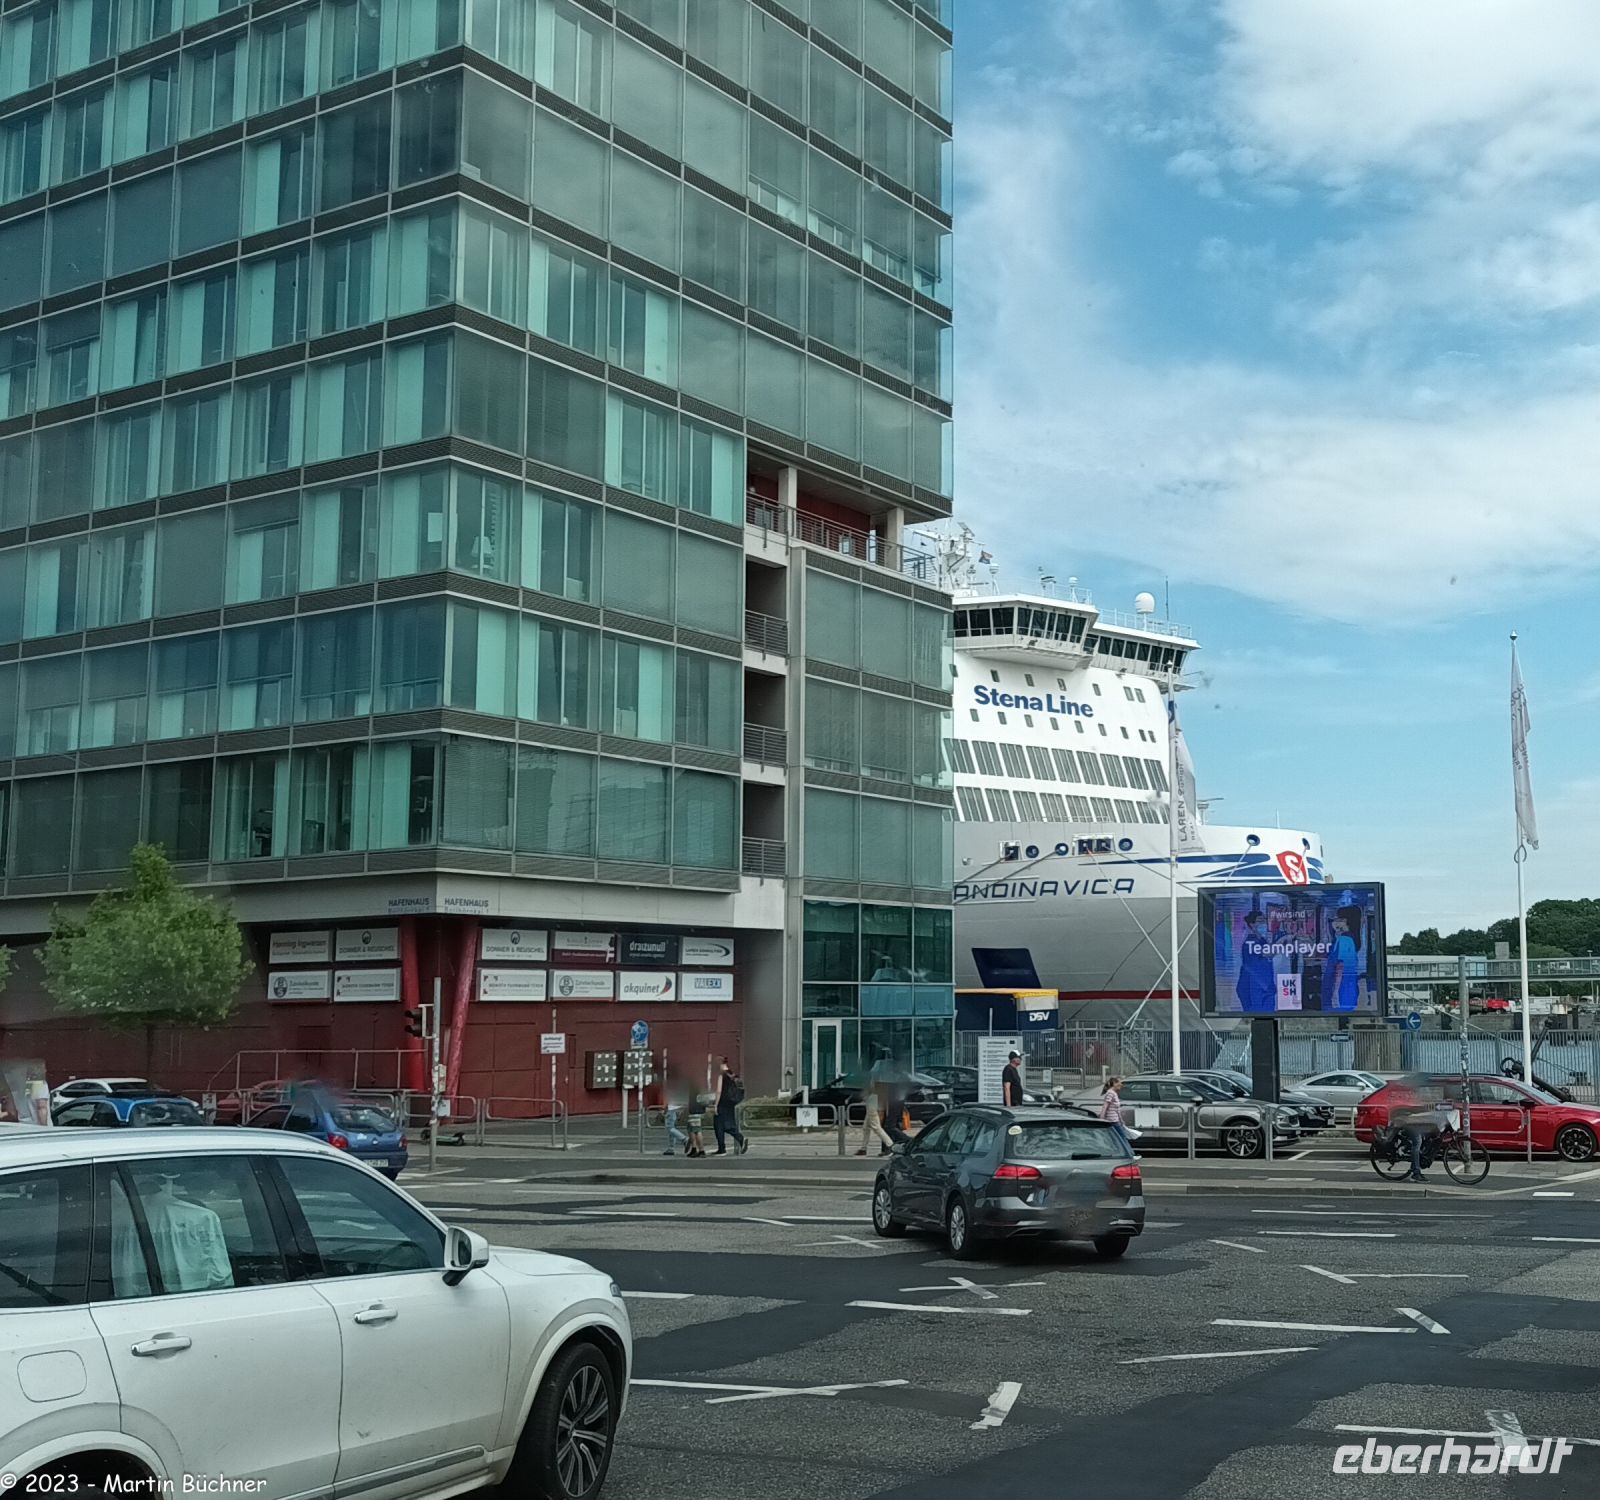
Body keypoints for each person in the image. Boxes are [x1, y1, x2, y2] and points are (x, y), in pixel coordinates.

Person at [1236, 910, 1278, 1013]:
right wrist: (1281, 941)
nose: (1263, 924)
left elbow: (1270, 956)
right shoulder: (1250, 943)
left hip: (1266, 989)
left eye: (1264, 921)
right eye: (1260, 921)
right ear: (1252, 924)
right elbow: (1268, 953)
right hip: (1254, 991)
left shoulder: (1262, 941)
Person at [1321, 909, 1362, 1012]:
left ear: (1344, 921)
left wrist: (1335, 991)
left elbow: (1340, 966)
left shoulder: (1344, 940)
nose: (1333, 923)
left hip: (1341, 990)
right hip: (1347, 988)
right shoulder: (1349, 939)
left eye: (1336, 919)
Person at [712, 1057, 748, 1155]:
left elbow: (719, 1091)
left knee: (718, 1125)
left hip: (722, 1102)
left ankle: (722, 1148)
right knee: (727, 1124)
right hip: (730, 1102)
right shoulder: (731, 1074)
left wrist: (715, 1105)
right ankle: (738, 1138)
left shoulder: (721, 1075)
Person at [1100, 1076, 1132, 1148]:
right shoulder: (1110, 1093)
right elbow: (1105, 1106)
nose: (1121, 1084)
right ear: (1114, 1083)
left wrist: (1121, 1120)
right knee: (1122, 1137)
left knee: (1117, 1138)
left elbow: (1117, 1110)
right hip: (1112, 1120)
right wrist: (1102, 1118)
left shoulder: (1113, 1093)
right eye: (1119, 1083)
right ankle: (1129, 1154)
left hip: (1115, 1120)